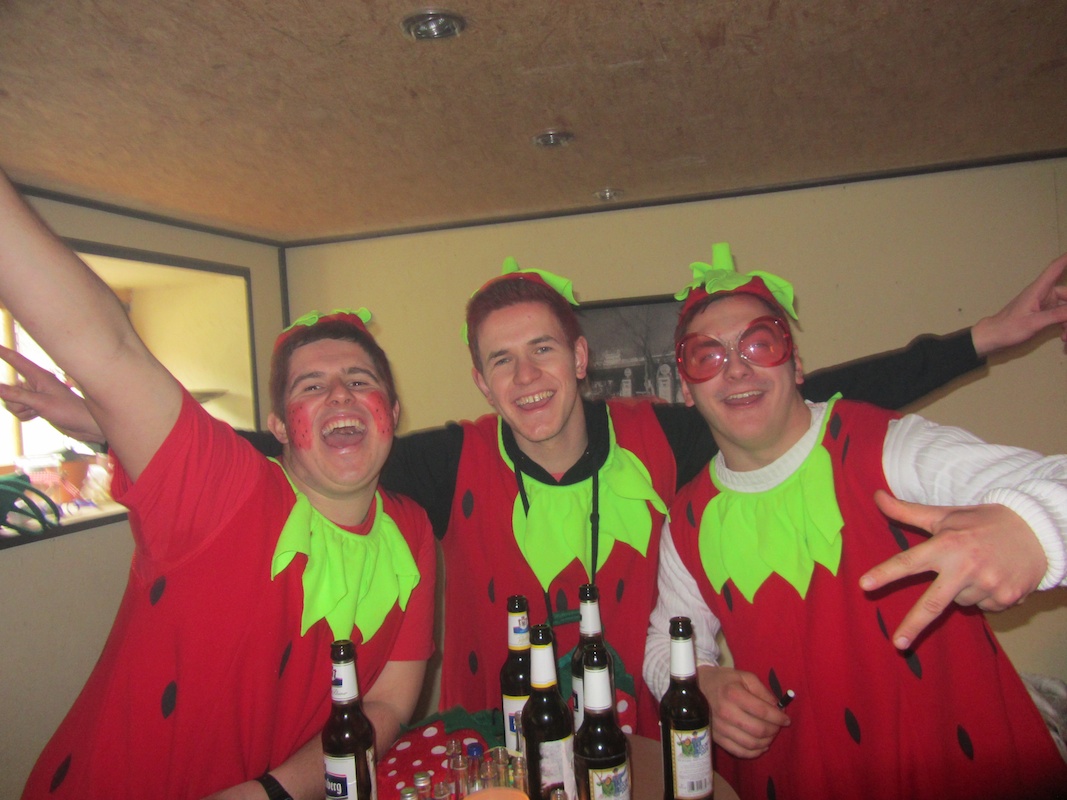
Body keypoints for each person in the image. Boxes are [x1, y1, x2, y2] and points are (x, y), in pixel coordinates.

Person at [6, 253, 1064, 743]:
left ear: (580, 358)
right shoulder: (442, 463)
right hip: (497, 744)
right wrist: (109, 422)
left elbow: (807, 395)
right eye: (500, 360)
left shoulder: (664, 435)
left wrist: (981, 338)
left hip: (641, 741)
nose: (526, 377)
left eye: (543, 351)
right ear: (479, 380)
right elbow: (292, 453)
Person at [0, 171, 435, 800]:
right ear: (279, 427)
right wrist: (106, 415)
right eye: (311, 386)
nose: (340, 393)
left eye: (360, 380)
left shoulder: (411, 531)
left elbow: (388, 704)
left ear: (392, 413)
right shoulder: (224, 487)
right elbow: (111, 348)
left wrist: (272, 792)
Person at [642, 247, 1067, 799]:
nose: (737, 368)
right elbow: (665, 640)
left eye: (759, 344)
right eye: (708, 356)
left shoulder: (889, 448)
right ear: (686, 388)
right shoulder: (686, 520)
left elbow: (1051, 480)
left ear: (795, 365)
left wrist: (1029, 527)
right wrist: (701, 682)